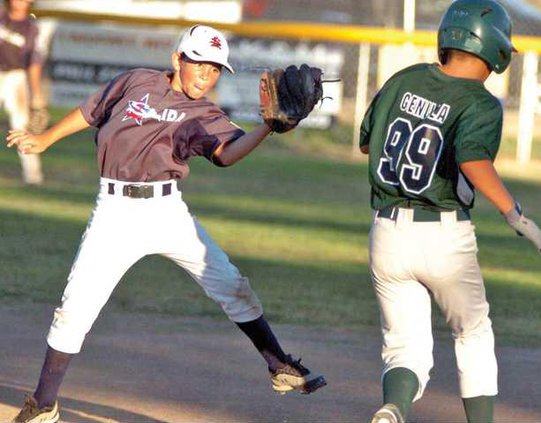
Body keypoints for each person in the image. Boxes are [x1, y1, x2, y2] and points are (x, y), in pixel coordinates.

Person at [6, 24, 326, 423]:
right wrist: (46, 138)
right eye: (200, 65)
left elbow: (226, 154)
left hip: (167, 211)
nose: (206, 76)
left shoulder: (206, 114)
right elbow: (91, 110)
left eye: (214, 70)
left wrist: (268, 128)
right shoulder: (135, 81)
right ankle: (44, 404)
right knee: (75, 309)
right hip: (115, 212)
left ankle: (280, 367)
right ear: (178, 59)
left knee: (231, 284)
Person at [359, 1, 541, 423]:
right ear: (495, 51)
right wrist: (514, 214)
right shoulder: (481, 102)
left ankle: (395, 407)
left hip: (387, 233)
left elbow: (368, 145)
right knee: (473, 334)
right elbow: (473, 161)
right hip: (444, 235)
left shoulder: (404, 79)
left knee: (404, 344)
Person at [1, 0, 47, 185]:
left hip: (16, 77)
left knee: (21, 126)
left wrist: (36, 94)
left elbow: (34, 63)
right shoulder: (2, 17)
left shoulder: (31, 27)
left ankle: (33, 176)